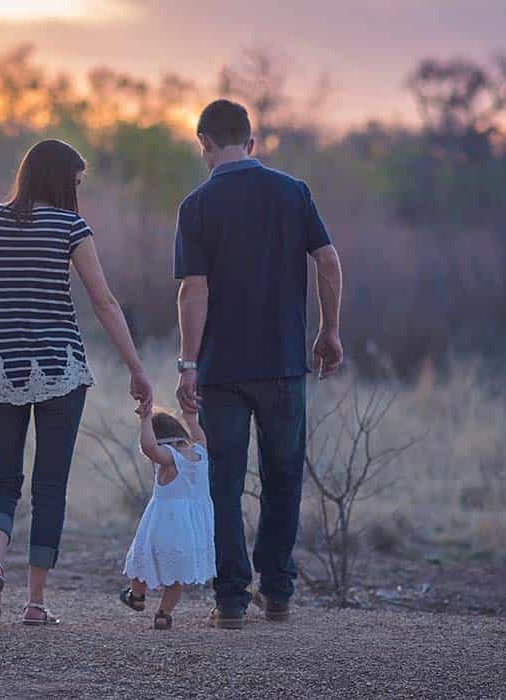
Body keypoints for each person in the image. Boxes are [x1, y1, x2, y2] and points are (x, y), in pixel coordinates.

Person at [0, 138, 153, 626]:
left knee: (2, 478)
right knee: (50, 486)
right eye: (76, 183)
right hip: (60, 368)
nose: (77, 193)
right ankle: (35, 603)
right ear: (61, 180)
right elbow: (104, 303)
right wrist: (136, 367)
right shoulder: (70, 227)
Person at [174, 99, 344, 629]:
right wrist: (329, 329)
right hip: (283, 364)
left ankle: (229, 601)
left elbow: (192, 292)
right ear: (251, 142)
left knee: (223, 484)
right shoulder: (293, 193)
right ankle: (277, 592)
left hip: (222, 370)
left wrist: (187, 363)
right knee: (283, 477)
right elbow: (329, 260)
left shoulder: (196, 205)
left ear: (203, 143)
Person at [118, 406, 215, 630]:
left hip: (163, 525)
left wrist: (144, 421)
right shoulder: (200, 452)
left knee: (141, 560)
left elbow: (149, 448)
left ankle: (137, 596)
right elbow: (199, 436)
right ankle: (163, 614)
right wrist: (190, 418)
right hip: (191, 530)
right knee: (176, 576)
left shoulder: (169, 458)